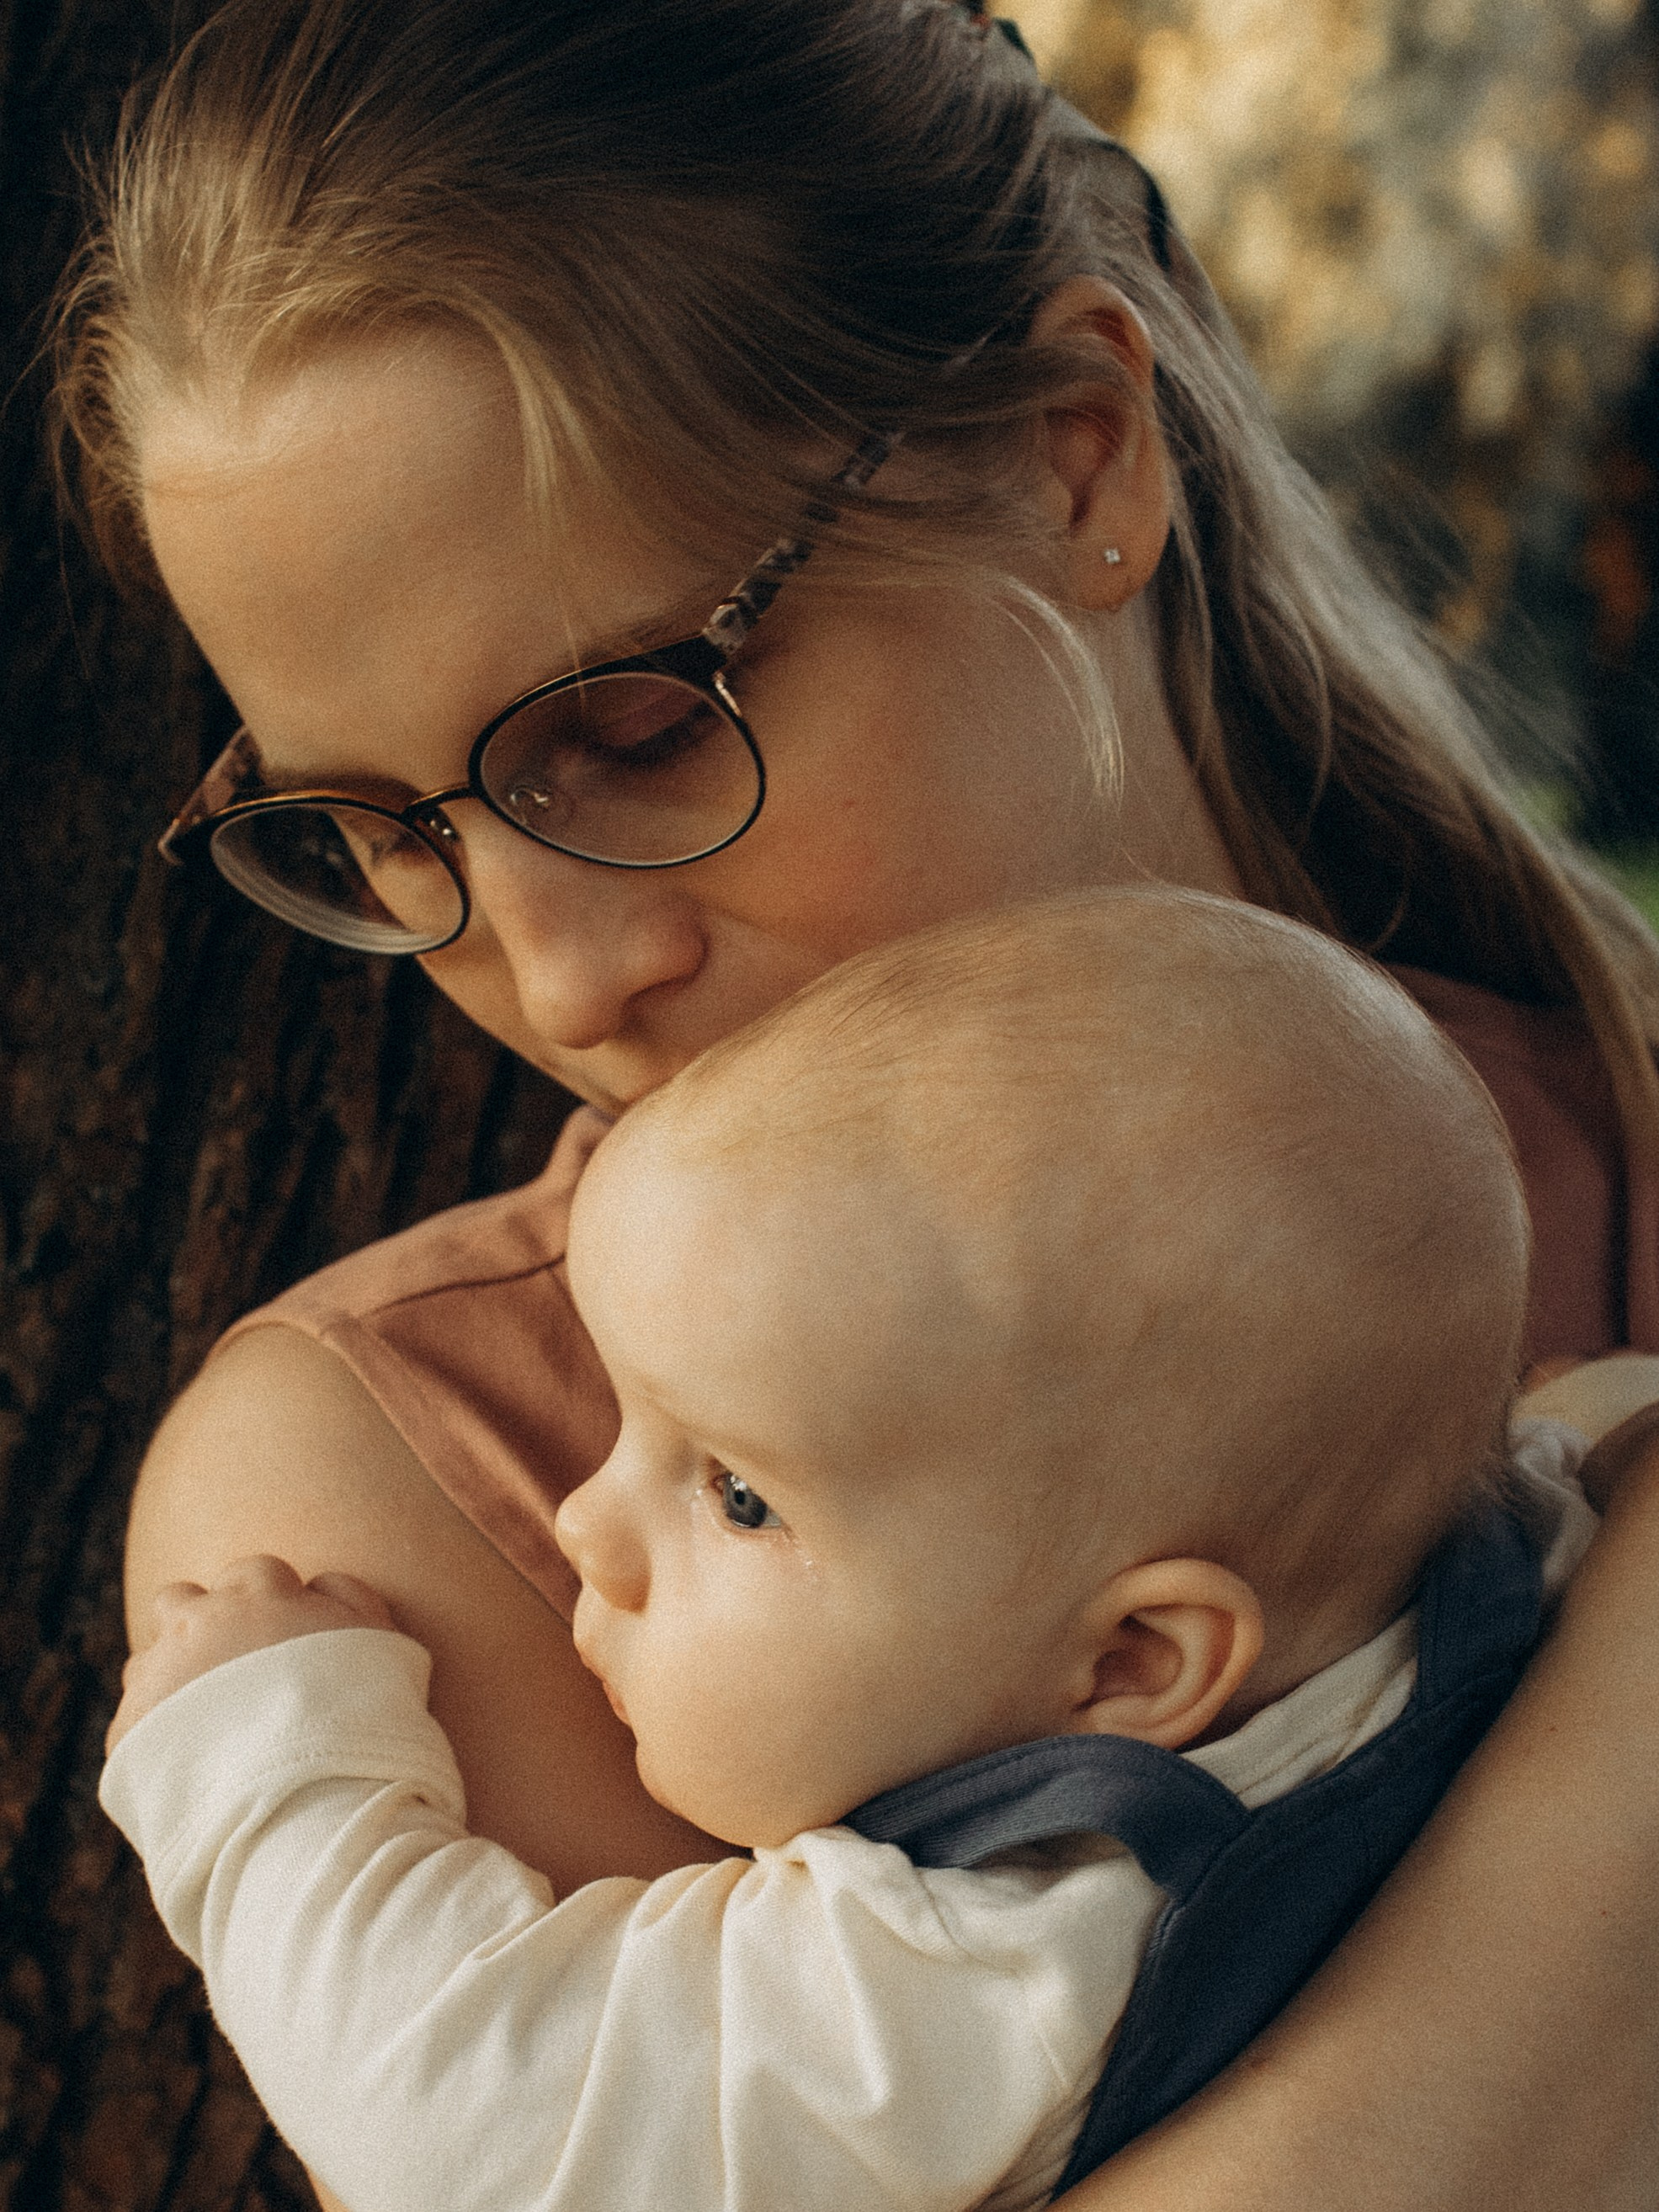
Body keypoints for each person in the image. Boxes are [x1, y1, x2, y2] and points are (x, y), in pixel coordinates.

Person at [52, 0, 1659, 2203]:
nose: (561, 975)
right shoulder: (405, 1499)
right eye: (375, 832)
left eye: (635, 727)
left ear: (1077, 457)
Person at [101, 890, 1600, 2212]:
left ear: (1135, 1662)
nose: (584, 1525)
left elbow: (460, 2130)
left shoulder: (974, 1975)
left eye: (739, 1497)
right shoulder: (1528, 1558)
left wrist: (275, 1772)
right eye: (622, 1417)